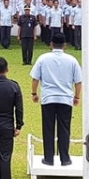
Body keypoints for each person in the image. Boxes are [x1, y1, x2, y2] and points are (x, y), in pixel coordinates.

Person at [30, 32, 82, 166]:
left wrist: (34, 93)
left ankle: (48, 158)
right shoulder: (72, 60)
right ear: (65, 45)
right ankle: (65, 158)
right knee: (64, 128)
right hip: (65, 98)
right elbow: (78, 81)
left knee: (48, 128)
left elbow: (35, 78)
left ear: (51, 44)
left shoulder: (43, 58)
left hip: (48, 97)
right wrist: (76, 96)